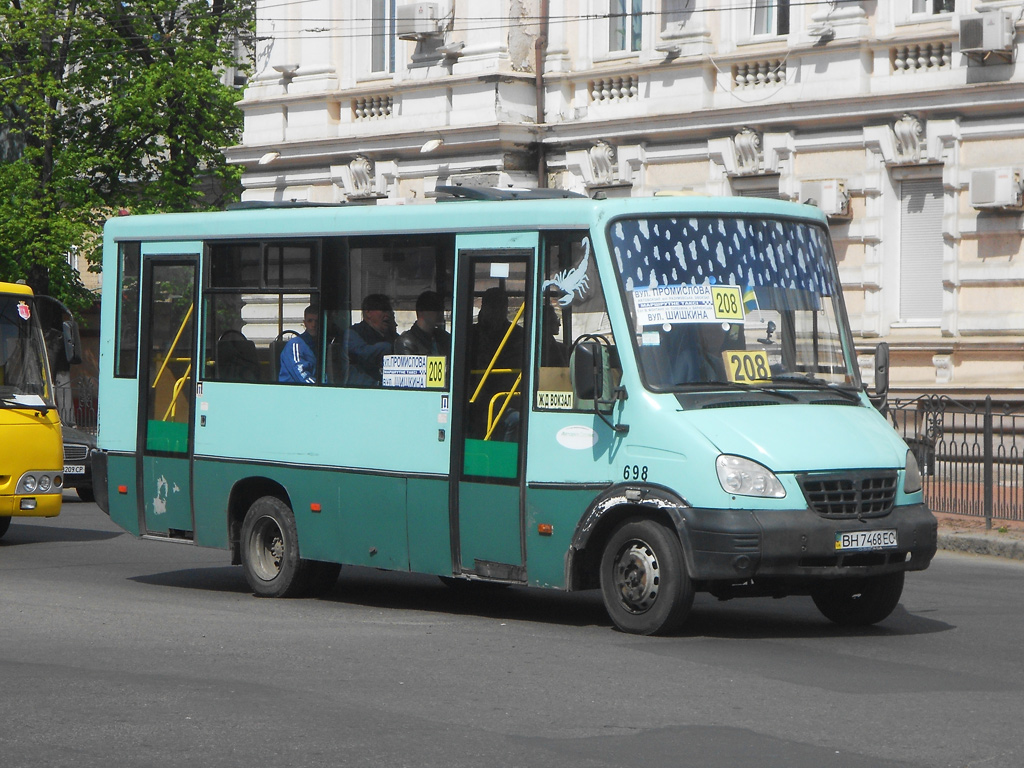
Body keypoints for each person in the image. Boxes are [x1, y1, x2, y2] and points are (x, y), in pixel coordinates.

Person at [469, 287, 524, 440]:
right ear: (483, 307)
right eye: (493, 306)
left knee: (516, 419)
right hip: (472, 397)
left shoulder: (516, 335)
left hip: (507, 396)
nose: (497, 312)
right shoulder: (470, 334)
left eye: (501, 307)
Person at [345, 293, 397, 386]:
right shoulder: (353, 333)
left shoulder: (392, 336)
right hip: (362, 387)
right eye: (383, 310)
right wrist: (389, 348)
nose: (387, 315)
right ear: (368, 312)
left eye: (389, 311)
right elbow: (364, 353)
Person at [395, 290, 451, 356]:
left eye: (442, 309)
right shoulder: (406, 342)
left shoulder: (443, 337)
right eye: (435, 308)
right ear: (421, 311)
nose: (441, 313)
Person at [278, 305, 318, 384]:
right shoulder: (295, 344)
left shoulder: (321, 344)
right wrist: (321, 388)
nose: (313, 325)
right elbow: (301, 375)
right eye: (310, 321)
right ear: (305, 323)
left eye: (317, 321)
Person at [541, 302, 568, 368]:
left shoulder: (551, 342)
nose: (559, 324)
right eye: (555, 320)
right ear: (545, 323)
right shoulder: (540, 346)